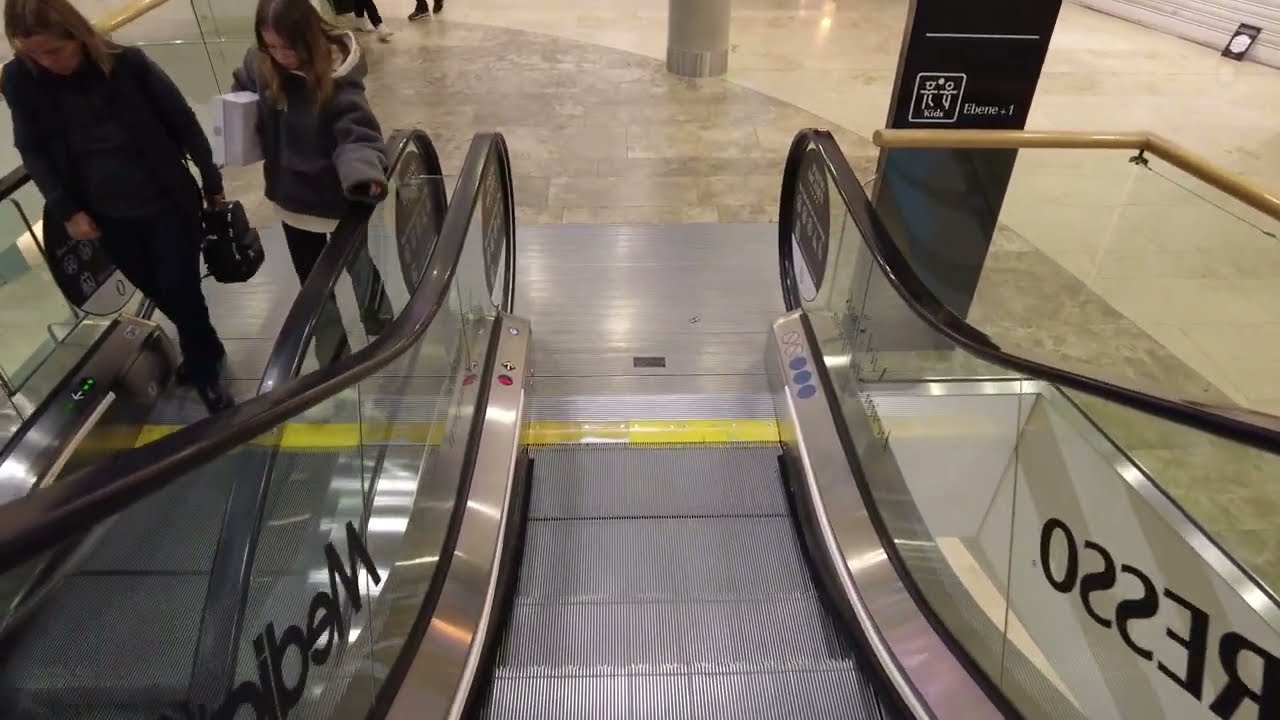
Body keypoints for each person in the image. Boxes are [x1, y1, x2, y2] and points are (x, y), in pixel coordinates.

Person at [1, 0, 234, 413]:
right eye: (31, 53)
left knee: (182, 287)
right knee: (157, 289)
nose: (45, 62)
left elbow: (183, 122)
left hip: (167, 201)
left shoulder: (127, 64)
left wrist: (212, 183)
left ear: (78, 35)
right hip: (106, 214)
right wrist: (67, 209)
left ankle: (204, 368)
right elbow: (32, 148)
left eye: (53, 51)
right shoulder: (21, 79)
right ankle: (207, 346)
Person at [234, 0, 393, 364]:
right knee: (314, 285)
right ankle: (334, 354)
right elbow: (243, 82)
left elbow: (357, 133)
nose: (280, 56)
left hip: (337, 197)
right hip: (291, 200)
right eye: (271, 46)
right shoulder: (262, 64)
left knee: (359, 262)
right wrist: (235, 112)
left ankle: (381, 319)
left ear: (308, 37)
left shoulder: (337, 77)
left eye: (288, 47)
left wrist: (364, 174)